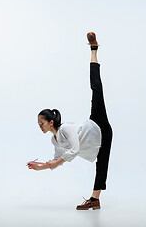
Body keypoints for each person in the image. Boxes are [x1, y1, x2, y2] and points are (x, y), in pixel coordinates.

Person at [27, 32, 113, 210]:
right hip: (99, 141)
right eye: (38, 125)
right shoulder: (55, 140)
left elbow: (74, 150)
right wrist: (40, 167)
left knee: (96, 87)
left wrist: (55, 163)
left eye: (41, 123)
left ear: (51, 122)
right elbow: (57, 160)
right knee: (101, 165)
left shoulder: (66, 129)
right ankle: (95, 200)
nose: (40, 127)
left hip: (98, 123)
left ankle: (93, 50)